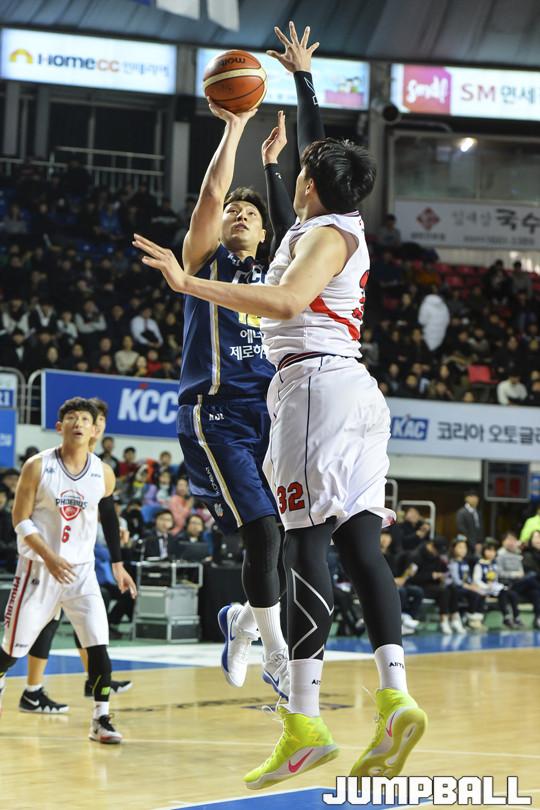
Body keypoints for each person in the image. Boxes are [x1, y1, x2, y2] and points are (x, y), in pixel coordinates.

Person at [134, 20, 426, 789]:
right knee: (347, 543)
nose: (291, 177)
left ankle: (300, 711)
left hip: (307, 392)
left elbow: (290, 292)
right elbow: (309, 163)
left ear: (303, 192)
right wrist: (292, 90)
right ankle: (387, 692)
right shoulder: (327, 223)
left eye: (298, 174)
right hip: (326, 396)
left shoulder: (303, 244)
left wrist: (188, 281)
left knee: (300, 544)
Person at [136, 25, 328, 705]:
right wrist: (236, 127)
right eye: (234, 214)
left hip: (272, 417)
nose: (239, 216)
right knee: (265, 531)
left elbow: (299, 214)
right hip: (215, 414)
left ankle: (242, 621)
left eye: (251, 213)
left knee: (281, 543)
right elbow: (212, 198)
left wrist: (278, 163)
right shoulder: (204, 264)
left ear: (266, 230)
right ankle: (276, 654)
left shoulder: (278, 274)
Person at [0, 398, 136, 742]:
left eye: (85, 419)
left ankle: (101, 718)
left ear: (94, 430)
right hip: (38, 569)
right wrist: (49, 556)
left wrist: (118, 564)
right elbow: (20, 519)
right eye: (71, 418)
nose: (78, 423)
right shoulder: (37, 466)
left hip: (81, 573)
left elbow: (109, 517)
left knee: (98, 643)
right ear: (60, 427)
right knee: (11, 651)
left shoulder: (104, 473)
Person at [472, 542, 520, 628]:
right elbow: (476, 580)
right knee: (502, 593)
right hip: (483, 589)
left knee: (511, 594)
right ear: (484, 551)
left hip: (494, 589)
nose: (491, 553)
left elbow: (496, 579)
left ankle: (515, 617)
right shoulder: (479, 564)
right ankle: (506, 617)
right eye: (489, 550)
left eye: (493, 551)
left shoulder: (494, 564)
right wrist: (486, 586)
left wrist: (496, 585)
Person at [455, 490, 484, 557]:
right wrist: (473, 544)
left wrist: (480, 542)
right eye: (472, 497)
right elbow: (461, 529)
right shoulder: (461, 512)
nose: (475, 499)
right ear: (466, 498)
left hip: (478, 545)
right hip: (467, 544)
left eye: (476, 497)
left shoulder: (478, 512)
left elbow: (480, 529)